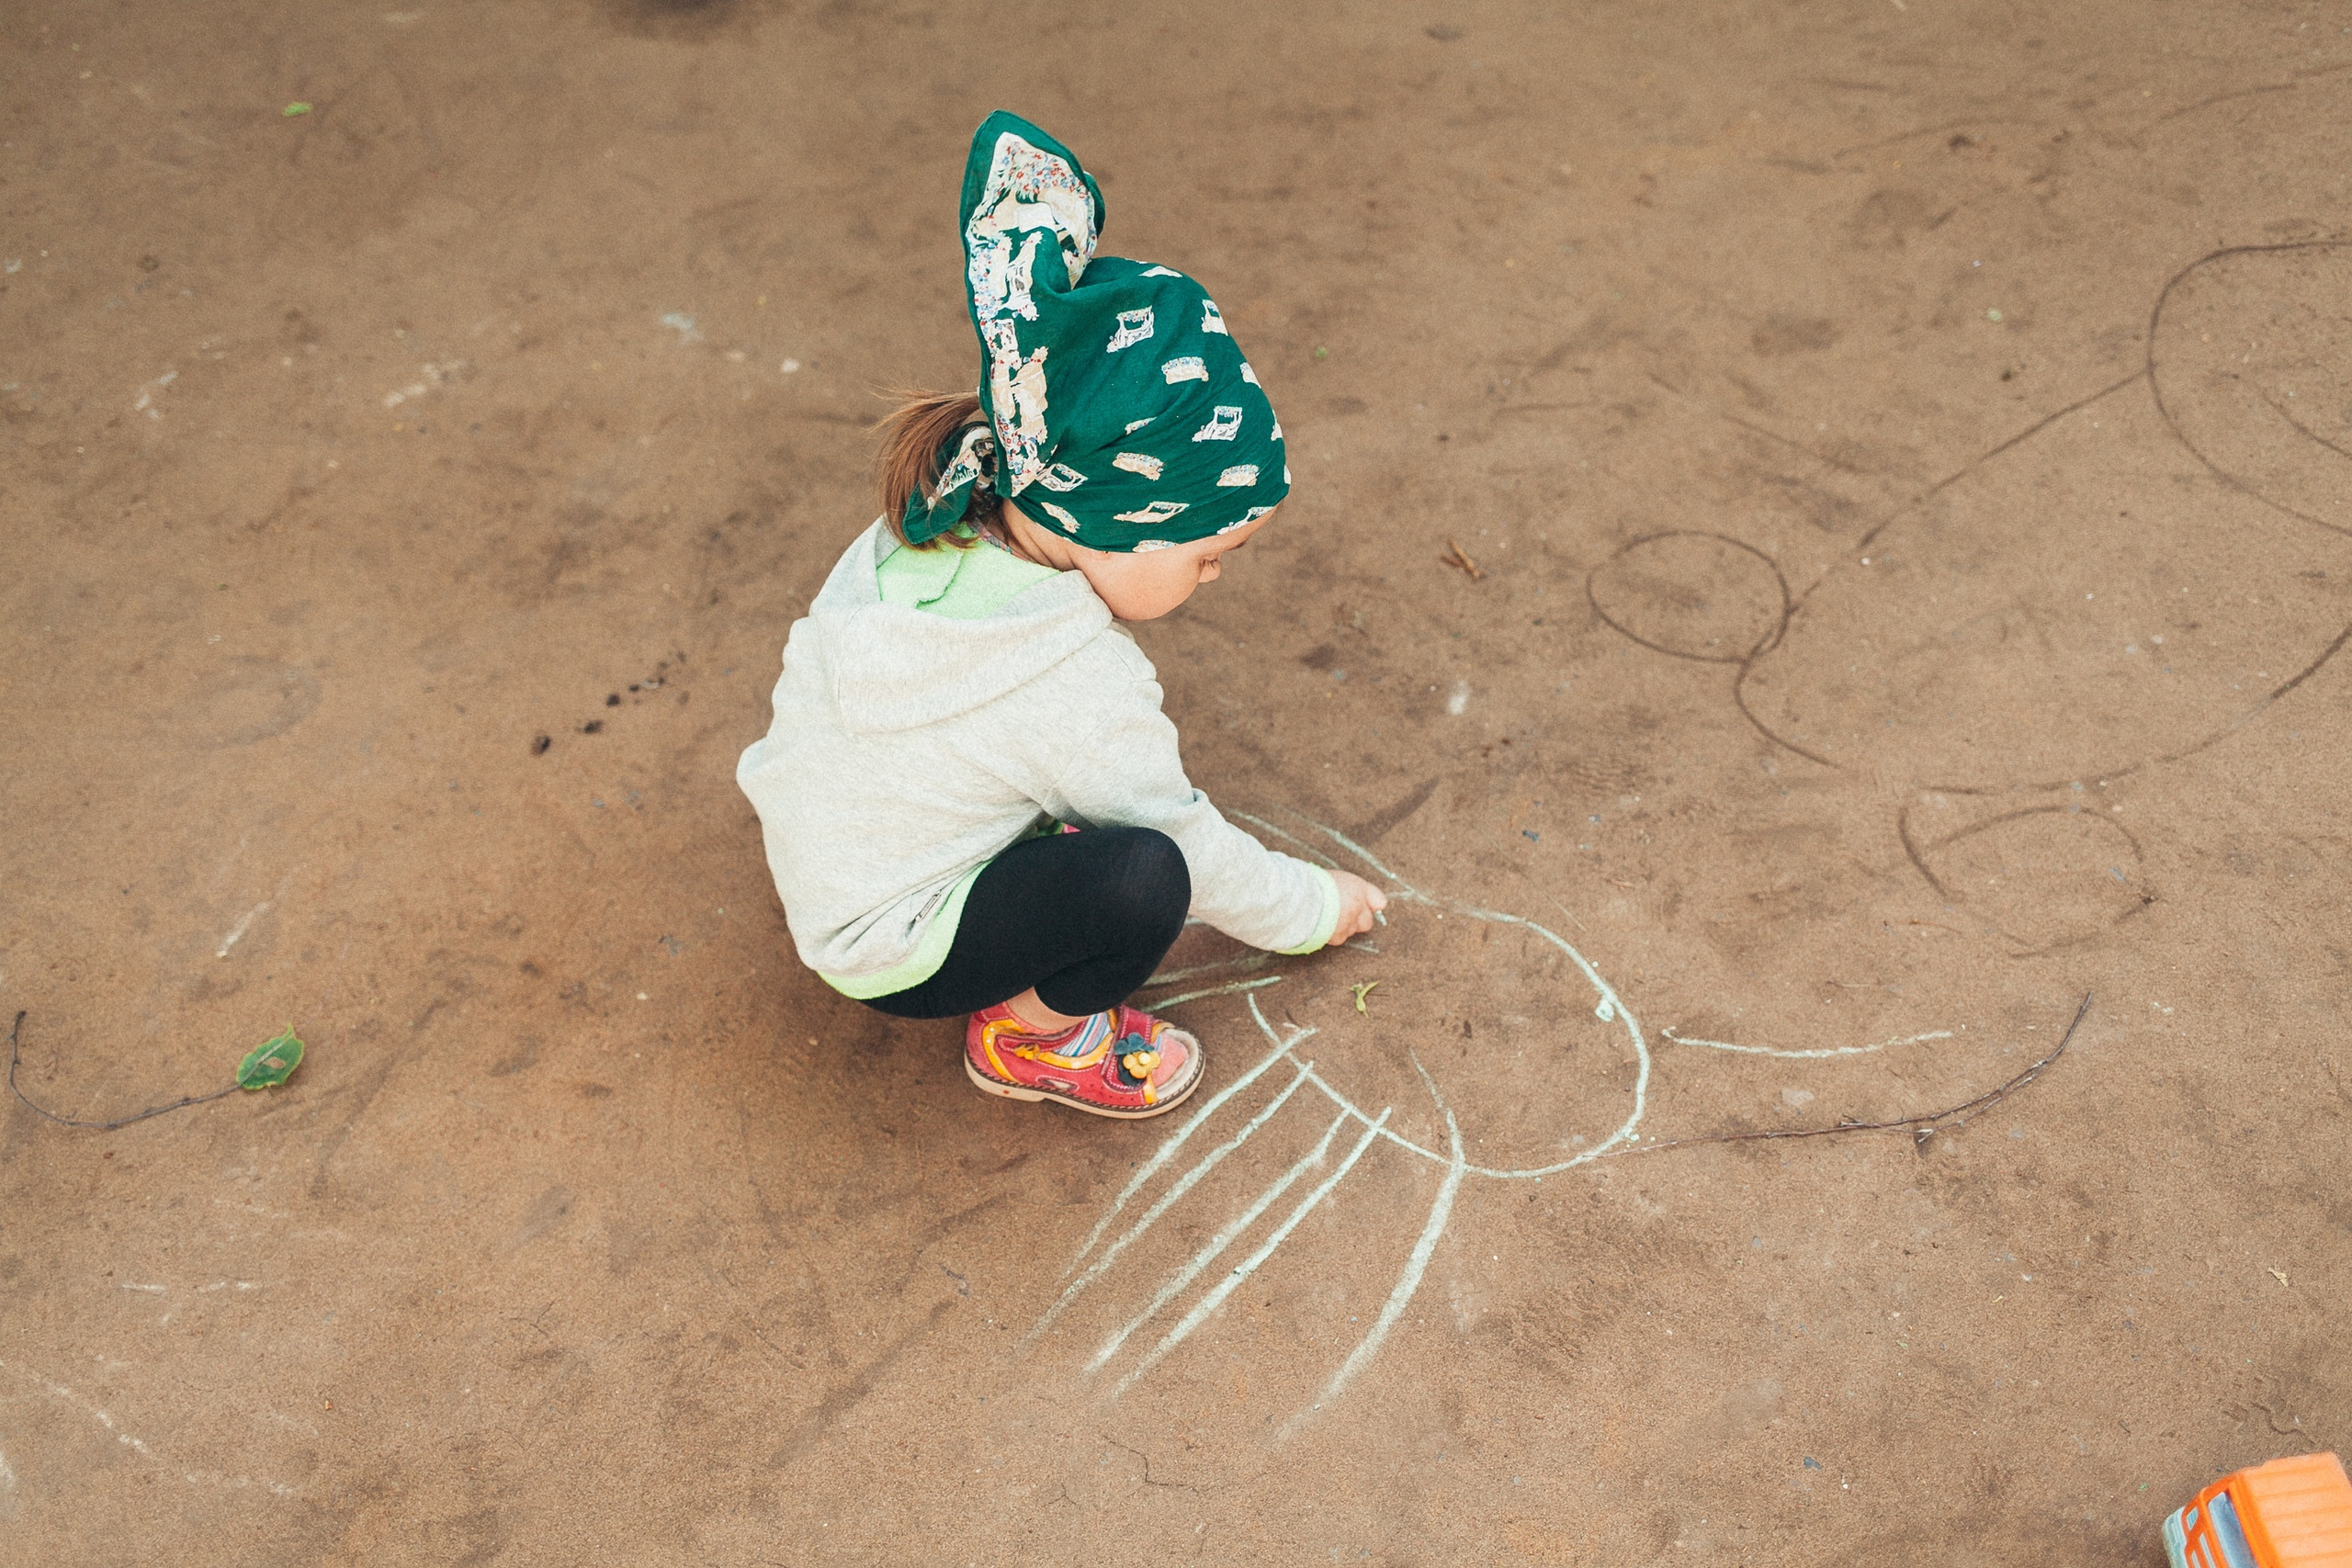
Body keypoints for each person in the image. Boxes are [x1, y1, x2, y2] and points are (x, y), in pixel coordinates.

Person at [737, 111, 1385, 1120]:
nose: (1214, 575)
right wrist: (1311, 912)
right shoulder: (1075, 682)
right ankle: (1031, 1036)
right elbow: (1187, 845)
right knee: (1139, 880)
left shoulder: (927, 524)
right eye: (1208, 550)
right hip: (897, 947)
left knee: (1082, 819)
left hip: (832, 851)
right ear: (1113, 525)